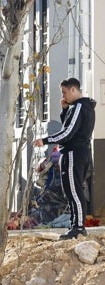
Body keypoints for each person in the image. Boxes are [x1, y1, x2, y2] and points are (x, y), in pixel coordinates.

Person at [35, 77, 97, 240]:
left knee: (74, 191)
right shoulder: (82, 107)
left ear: (73, 90)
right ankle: (75, 226)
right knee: (72, 191)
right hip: (79, 152)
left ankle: (78, 227)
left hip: (73, 154)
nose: (63, 96)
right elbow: (70, 128)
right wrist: (64, 110)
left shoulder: (79, 106)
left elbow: (68, 133)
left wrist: (45, 140)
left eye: (64, 92)